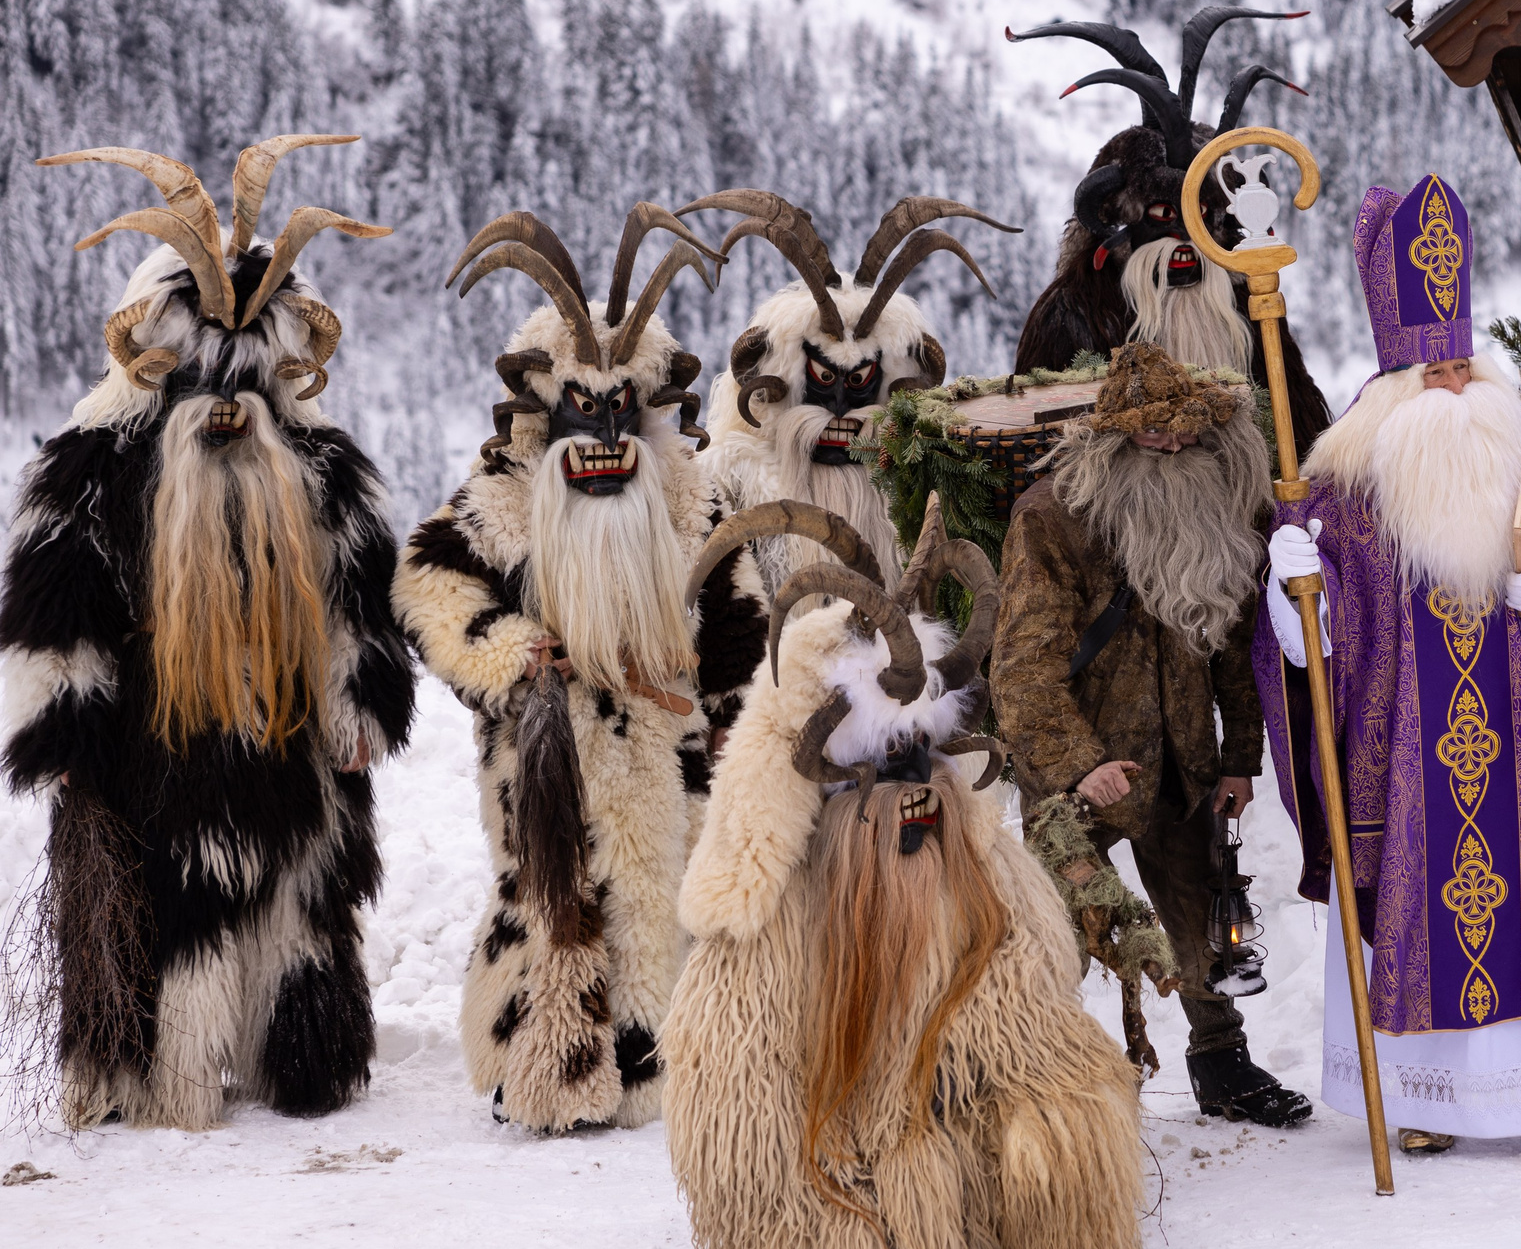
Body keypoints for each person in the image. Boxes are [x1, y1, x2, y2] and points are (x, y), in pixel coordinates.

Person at [663, 496, 1145, 1249]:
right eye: (880, 768)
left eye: (920, 756)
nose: (911, 789)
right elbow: (736, 1118)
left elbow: (1043, 1040)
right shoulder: (770, 932)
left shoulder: (987, 884)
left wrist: (1046, 1142)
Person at [1, 137, 413, 1128]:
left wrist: (363, 697)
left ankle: (296, 1041)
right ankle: (147, 1057)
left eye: (249, 380)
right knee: (160, 899)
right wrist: (66, 735)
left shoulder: (321, 467)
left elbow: (363, 593)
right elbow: (54, 605)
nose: (226, 408)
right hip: (157, 745)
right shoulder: (96, 465)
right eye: (199, 380)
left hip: (287, 744)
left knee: (300, 903)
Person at [1255, 174, 1521, 1169]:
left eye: (1464, 362)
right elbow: (1308, 653)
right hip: (1401, 761)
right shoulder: (1340, 495)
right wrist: (1293, 587)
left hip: (1518, 756)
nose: (1457, 383)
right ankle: (1419, 1101)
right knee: (1409, 918)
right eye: (1432, 371)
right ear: (1390, 385)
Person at [394, 206, 766, 1133]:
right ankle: (539, 1059)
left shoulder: (692, 497)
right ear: (543, 401)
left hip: (666, 756)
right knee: (546, 894)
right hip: (543, 753)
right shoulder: (505, 496)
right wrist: (511, 653)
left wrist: (729, 722)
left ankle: (666, 1059)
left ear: (649, 403)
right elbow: (429, 582)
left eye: (619, 406)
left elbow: (739, 625)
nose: (601, 431)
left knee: (663, 898)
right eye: (579, 405)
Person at [990, 342, 1311, 1126]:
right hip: (1078, 772)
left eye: (1184, 435)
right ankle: (1037, 1077)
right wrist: (1080, 765)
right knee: (1056, 931)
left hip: (1179, 765)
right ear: (1113, 438)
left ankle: (1223, 1064)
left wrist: (1238, 758)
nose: (1170, 447)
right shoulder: (1053, 517)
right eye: (1151, 436)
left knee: (1203, 912)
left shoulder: (1215, 508)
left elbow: (1237, 645)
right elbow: (1021, 669)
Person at [1006, 7, 1332, 461]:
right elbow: (1038, 450)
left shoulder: (1250, 309)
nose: (1185, 241)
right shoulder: (1076, 313)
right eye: (1163, 213)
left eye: (1201, 217)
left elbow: (1298, 429)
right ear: (1120, 221)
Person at [694, 188, 1013, 586]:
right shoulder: (733, 488)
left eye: (859, 380)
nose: (840, 405)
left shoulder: (920, 500)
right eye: (824, 378)